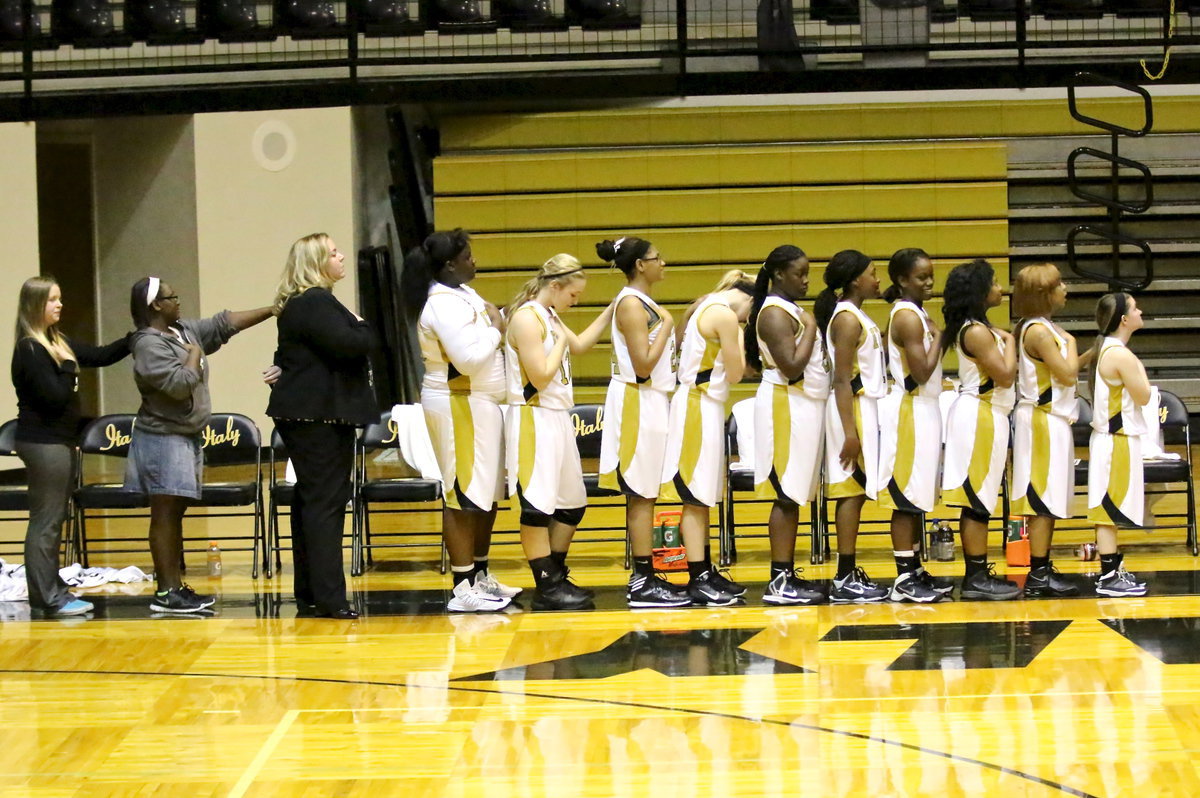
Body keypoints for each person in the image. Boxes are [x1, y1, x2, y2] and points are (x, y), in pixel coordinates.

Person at [125, 276, 274, 614]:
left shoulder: (182, 330)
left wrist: (273, 309)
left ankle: (175, 586)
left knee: (176, 512)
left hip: (184, 436)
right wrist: (193, 354)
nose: (178, 301)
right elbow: (179, 385)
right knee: (165, 513)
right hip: (162, 439)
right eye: (171, 297)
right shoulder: (148, 344)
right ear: (155, 305)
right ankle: (166, 592)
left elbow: (224, 324)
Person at [402, 228, 518, 613]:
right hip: (457, 401)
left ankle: (481, 575)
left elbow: (485, 330)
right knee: (463, 493)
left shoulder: (463, 294)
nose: (474, 261)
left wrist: (500, 318)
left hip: (481, 402)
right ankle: (462, 585)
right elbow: (467, 359)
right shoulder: (441, 303)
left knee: (487, 494)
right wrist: (497, 329)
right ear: (450, 265)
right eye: (467, 256)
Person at [268, 234, 378, 620]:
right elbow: (350, 344)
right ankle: (330, 598)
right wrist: (363, 327)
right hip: (318, 417)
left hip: (309, 415)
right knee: (325, 504)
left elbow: (292, 355)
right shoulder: (315, 301)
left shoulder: (303, 303)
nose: (341, 256)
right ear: (316, 263)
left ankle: (312, 593)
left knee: (311, 502)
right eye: (333, 253)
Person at [10, 276, 130, 617]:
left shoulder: (56, 341)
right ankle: (47, 598)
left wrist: (133, 339)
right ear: (35, 305)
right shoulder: (31, 349)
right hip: (43, 444)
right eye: (52, 299)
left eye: (59, 298)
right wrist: (66, 365)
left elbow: (101, 355)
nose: (59, 304)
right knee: (46, 522)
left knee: (54, 519)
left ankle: (53, 591)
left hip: (59, 442)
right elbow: (54, 398)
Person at [504, 254, 613, 610]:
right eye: (573, 295)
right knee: (537, 507)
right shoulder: (527, 318)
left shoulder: (549, 315)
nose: (575, 301)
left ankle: (554, 572)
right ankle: (547, 585)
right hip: (533, 417)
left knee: (572, 504)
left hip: (557, 417)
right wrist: (562, 341)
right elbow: (539, 376)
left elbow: (579, 345)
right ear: (554, 286)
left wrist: (612, 310)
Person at [595, 236, 689, 609]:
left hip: (651, 399)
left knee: (648, 491)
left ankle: (647, 577)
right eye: (656, 257)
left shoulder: (644, 303)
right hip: (636, 399)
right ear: (639, 265)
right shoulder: (632, 305)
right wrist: (667, 324)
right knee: (640, 492)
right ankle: (641, 580)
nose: (662, 263)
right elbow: (643, 365)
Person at [660, 270, 755, 607]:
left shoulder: (709, 306)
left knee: (702, 497)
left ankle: (704, 569)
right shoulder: (724, 315)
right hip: (697, 405)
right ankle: (697, 577)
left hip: (704, 404)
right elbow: (737, 373)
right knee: (695, 496)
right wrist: (741, 335)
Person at [745, 245, 827, 606]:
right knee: (785, 495)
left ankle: (787, 575)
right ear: (779, 274)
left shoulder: (789, 309)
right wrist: (812, 325)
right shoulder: (774, 313)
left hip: (802, 405)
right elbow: (792, 366)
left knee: (795, 495)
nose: (806, 280)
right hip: (784, 406)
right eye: (799, 273)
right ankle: (779, 580)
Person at [940, 259, 1021, 600]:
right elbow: (1005, 376)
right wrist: (1013, 340)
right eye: (994, 282)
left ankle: (977, 572)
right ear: (979, 291)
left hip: (989, 415)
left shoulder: (979, 328)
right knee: (976, 499)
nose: (1001, 288)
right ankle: (974, 576)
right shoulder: (975, 331)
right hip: (979, 415)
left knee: (982, 497)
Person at [817, 249, 889, 604]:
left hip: (863, 407)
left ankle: (847, 573)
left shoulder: (856, 315)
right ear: (856, 280)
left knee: (857, 492)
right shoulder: (846, 319)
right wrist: (850, 432)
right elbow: (842, 379)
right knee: (850, 490)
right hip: (851, 408)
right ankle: (844, 576)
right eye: (873, 273)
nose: (877, 279)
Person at [877, 248, 948, 603]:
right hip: (909, 409)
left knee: (917, 495)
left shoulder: (917, 313)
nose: (930, 282)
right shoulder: (906, 317)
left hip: (924, 408)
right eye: (922, 277)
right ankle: (904, 577)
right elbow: (920, 372)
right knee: (904, 497)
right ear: (902, 280)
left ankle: (915, 569)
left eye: (931, 274)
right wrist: (942, 337)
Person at [1010, 263, 1080, 598]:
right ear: (1043, 294)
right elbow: (1067, 374)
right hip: (1041, 418)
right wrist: (1076, 343)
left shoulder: (1043, 327)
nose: (1065, 288)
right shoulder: (1038, 332)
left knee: (1050, 495)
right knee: (1041, 496)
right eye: (1058, 284)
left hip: (1051, 418)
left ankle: (1042, 566)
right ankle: (1038, 572)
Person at [1086, 292, 1150, 597]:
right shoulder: (1120, 355)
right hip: (1115, 440)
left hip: (1114, 439)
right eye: (1135, 308)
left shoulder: (1111, 350)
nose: (1141, 311)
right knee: (1108, 509)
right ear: (1124, 319)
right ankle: (1109, 576)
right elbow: (1144, 396)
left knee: (1110, 508)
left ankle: (1112, 571)